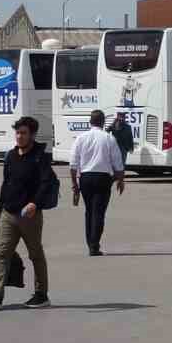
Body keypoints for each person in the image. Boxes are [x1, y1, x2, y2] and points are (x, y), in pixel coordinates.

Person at [0, 116, 56, 310]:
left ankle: (41, 294)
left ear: (32, 135)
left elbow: (46, 183)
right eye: (18, 133)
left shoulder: (40, 156)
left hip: (29, 216)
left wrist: (35, 204)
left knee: (35, 254)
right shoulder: (11, 156)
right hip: (8, 213)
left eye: (23, 133)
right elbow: (6, 184)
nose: (19, 137)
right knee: (2, 254)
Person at [70, 109, 126, 256]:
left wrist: (74, 184)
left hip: (86, 178)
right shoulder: (109, 138)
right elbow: (118, 162)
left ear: (90, 121)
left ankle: (90, 243)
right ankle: (94, 245)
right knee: (99, 212)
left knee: (89, 211)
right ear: (102, 122)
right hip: (103, 179)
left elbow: (73, 164)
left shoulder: (81, 138)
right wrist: (121, 180)